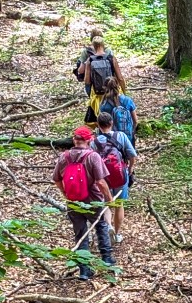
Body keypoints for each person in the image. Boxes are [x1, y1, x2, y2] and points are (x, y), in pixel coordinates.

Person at [52, 126, 116, 280]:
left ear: (75, 140)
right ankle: (107, 260)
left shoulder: (64, 157)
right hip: (92, 200)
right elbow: (100, 182)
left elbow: (56, 179)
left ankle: (84, 270)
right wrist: (109, 199)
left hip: (73, 201)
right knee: (101, 227)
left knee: (80, 233)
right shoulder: (92, 156)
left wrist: (66, 194)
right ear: (89, 139)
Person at [93, 112, 138, 244]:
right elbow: (132, 155)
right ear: (112, 123)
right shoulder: (121, 136)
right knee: (119, 204)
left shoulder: (94, 142)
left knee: (106, 203)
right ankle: (117, 234)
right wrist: (130, 169)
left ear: (98, 125)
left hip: (103, 175)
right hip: (120, 174)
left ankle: (109, 227)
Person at [77, 35, 125, 127]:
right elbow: (120, 77)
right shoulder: (111, 58)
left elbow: (87, 80)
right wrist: (123, 90)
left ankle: (102, 132)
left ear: (93, 47)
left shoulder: (90, 60)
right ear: (103, 45)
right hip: (113, 92)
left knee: (100, 118)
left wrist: (90, 95)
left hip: (98, 94)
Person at [98, 76, 138, 146]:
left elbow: (102, 124)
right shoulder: (127, 100)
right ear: (118, 86)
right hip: (128, 136)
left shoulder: (104, 105)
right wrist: (132, 131)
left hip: (112, 140)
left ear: (104, 88)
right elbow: (135, 121)